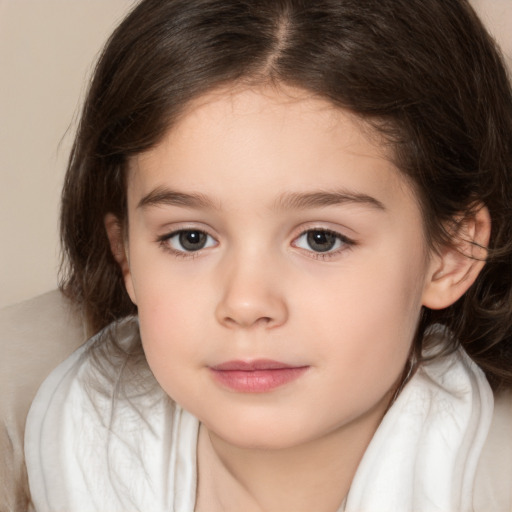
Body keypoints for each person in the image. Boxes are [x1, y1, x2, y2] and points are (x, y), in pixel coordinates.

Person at [24, 0, 512, 510]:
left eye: (321, 238)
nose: (246, 302)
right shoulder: (60, 439)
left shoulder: (490, 480)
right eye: (190, 238)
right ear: (126, 256)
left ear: (454, 251)